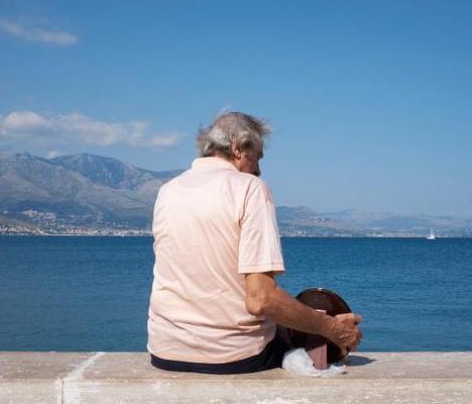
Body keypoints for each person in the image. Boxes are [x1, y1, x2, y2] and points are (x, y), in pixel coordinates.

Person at [147, 111, 362, 374]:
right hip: (233, 357)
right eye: (257, 158)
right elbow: (261, 299)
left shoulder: (168, 191)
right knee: (318, 310)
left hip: (164, 352)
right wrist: (331, 328)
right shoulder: (249, 188)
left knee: (299, 318)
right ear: (238, 148)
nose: (258, 170)